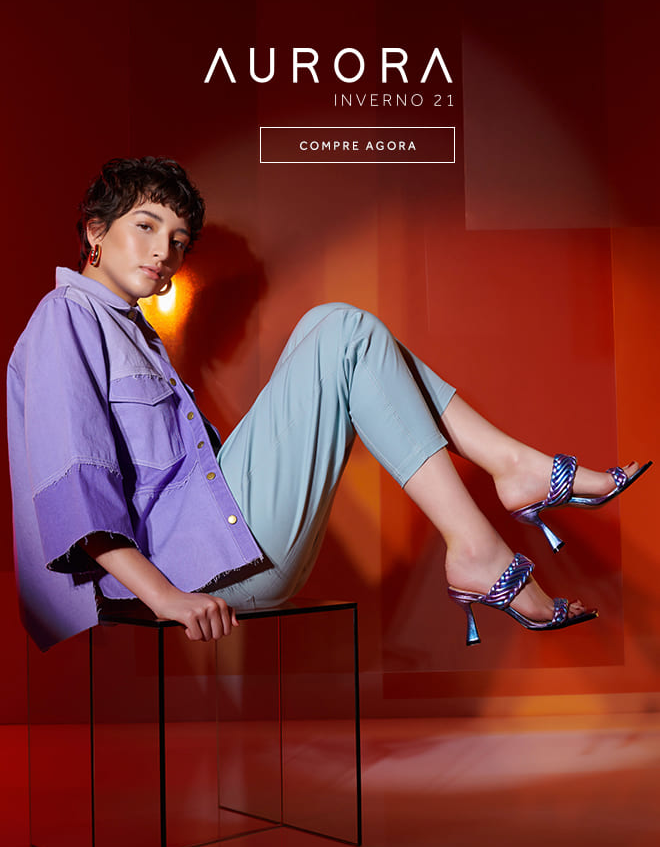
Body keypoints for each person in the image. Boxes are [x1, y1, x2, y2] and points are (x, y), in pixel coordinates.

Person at [7, 156, 651, 652]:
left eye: (178, 240)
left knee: (334, 326)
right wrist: (166, 598)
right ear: (95, 231)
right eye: (146, 227)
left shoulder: (132, 331)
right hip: (192, 573)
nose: (163, 252)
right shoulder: (66, 316)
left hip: (227, 547)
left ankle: (512, 472)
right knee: (342, 329)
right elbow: (76, 490)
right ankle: (491, 523)